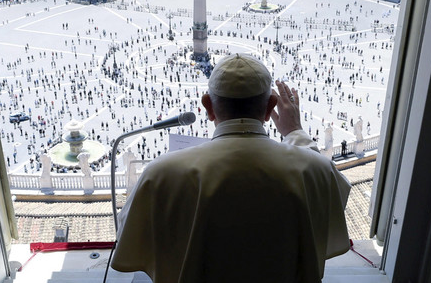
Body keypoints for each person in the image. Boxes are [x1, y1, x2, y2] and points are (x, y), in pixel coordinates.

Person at [111, 53, 351, 283]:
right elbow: (331, 210)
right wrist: (295, 133)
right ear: (270, 108)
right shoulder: (316, 169)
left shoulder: (160, 174)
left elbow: (129, 237)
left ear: (208, 106)